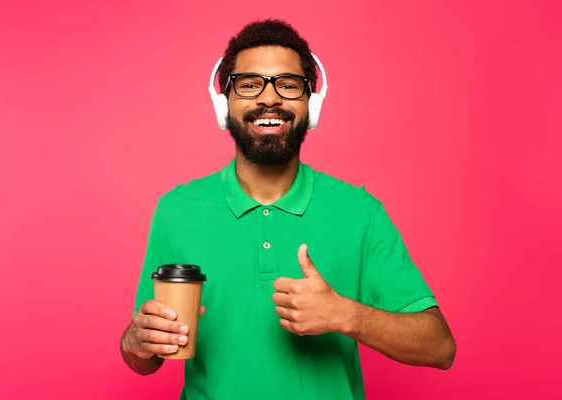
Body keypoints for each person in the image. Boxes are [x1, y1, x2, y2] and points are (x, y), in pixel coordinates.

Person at [120, 19, 456, 400]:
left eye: (288, 85)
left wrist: (346, 315)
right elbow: (145, 358)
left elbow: (441, 348)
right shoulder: (176, 211)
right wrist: (135, 341)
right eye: (249, 84)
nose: (269, 98)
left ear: (311, 104)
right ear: (223, 103)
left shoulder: (361, 212)